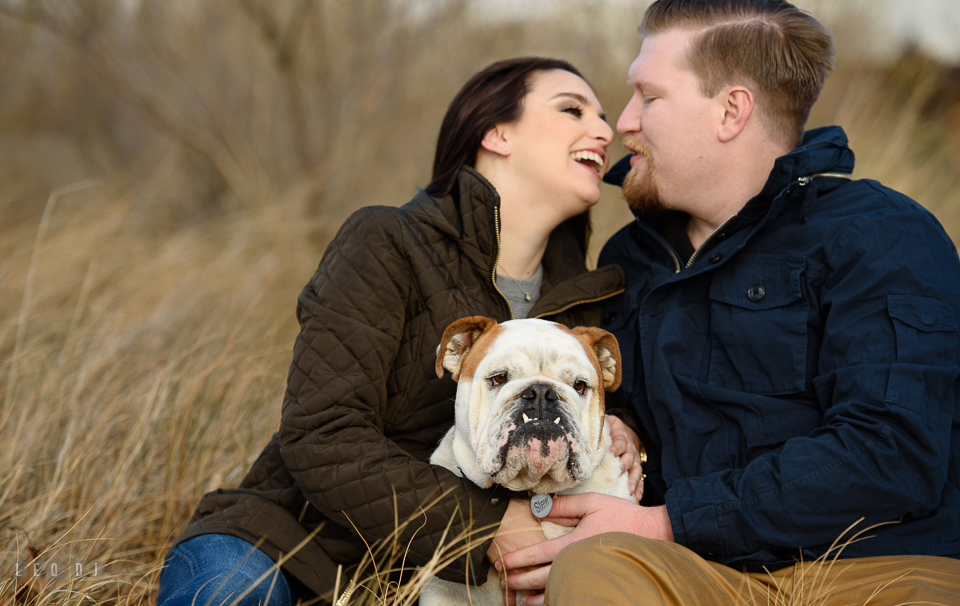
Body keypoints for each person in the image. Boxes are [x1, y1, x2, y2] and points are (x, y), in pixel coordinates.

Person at [495, 1, 960, 604]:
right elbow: (624, 426)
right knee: (588, 568)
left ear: (730, 111)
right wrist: (622, 435)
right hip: (698, 571)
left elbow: (892, 453)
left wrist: (667, 522)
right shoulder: (632, 257)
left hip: (879, 571)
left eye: (648, 96)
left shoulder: (881, 234)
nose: (624, 122)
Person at [156, 57, 646, 606]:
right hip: (293, 544)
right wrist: (487, 527)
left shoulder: (592, 294)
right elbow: (322, 434)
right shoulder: (386, 241)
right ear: (496, 133)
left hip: (442, 583)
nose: (605, 130)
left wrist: (619, 427)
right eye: (572, 109)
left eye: (603, 116)